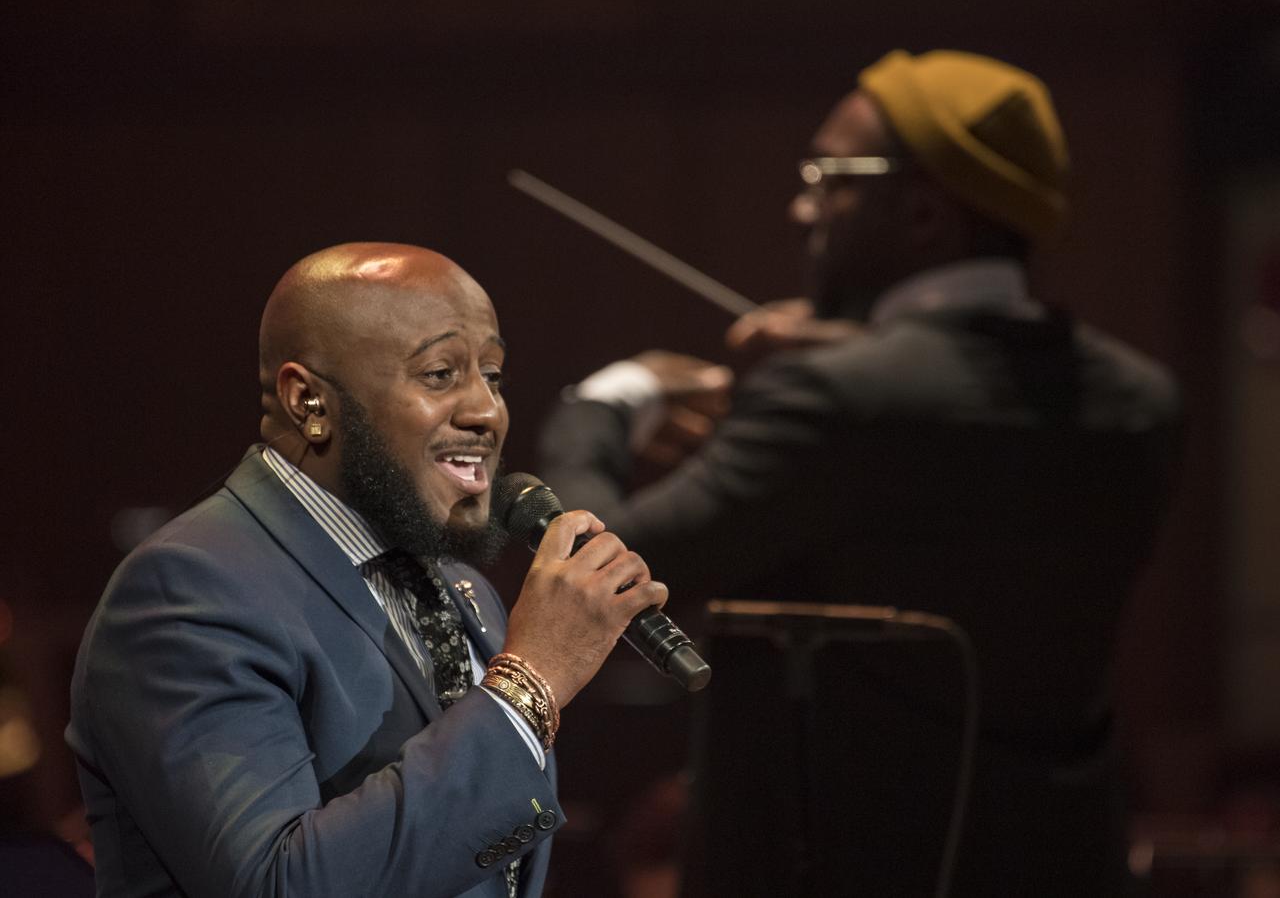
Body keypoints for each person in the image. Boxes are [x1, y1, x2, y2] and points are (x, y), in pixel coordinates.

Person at [537, 50, 1180, 896]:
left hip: (843, 863)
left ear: (921, 212)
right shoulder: (1141, 402)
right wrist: (858, 361)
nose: (805, 207)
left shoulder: (841, 399)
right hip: (1058, 859)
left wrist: (607, 402)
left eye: (831, 177)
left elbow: (608, 574)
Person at [66, 243, 668, 898]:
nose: (485, 411)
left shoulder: (458, 586)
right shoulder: (187, 589)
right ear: (309, 401)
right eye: (440, 374)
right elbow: (279, 885)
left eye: (492, 376)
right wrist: (532, 682)